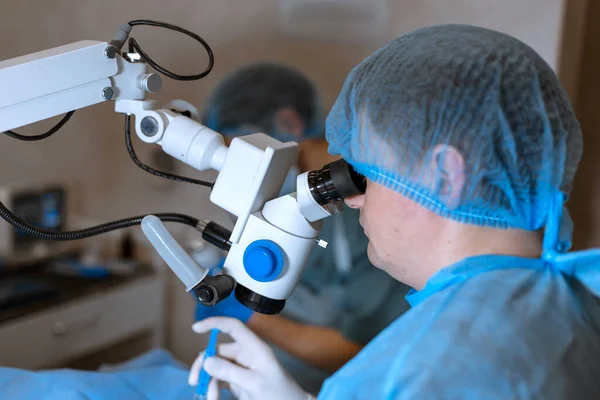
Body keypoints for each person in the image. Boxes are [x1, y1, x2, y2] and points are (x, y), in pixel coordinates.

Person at [188, 24, 600, 399]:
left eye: (365, 174)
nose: (352, 199)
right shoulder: (565, 298)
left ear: (444, 175)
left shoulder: (419, 372)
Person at [191, 63, 411, 394]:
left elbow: (360, 349)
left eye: (239, 150)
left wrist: (251, 318)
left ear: (287, 124)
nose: (235, 168)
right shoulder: (276, 197)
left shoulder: (363, 207)